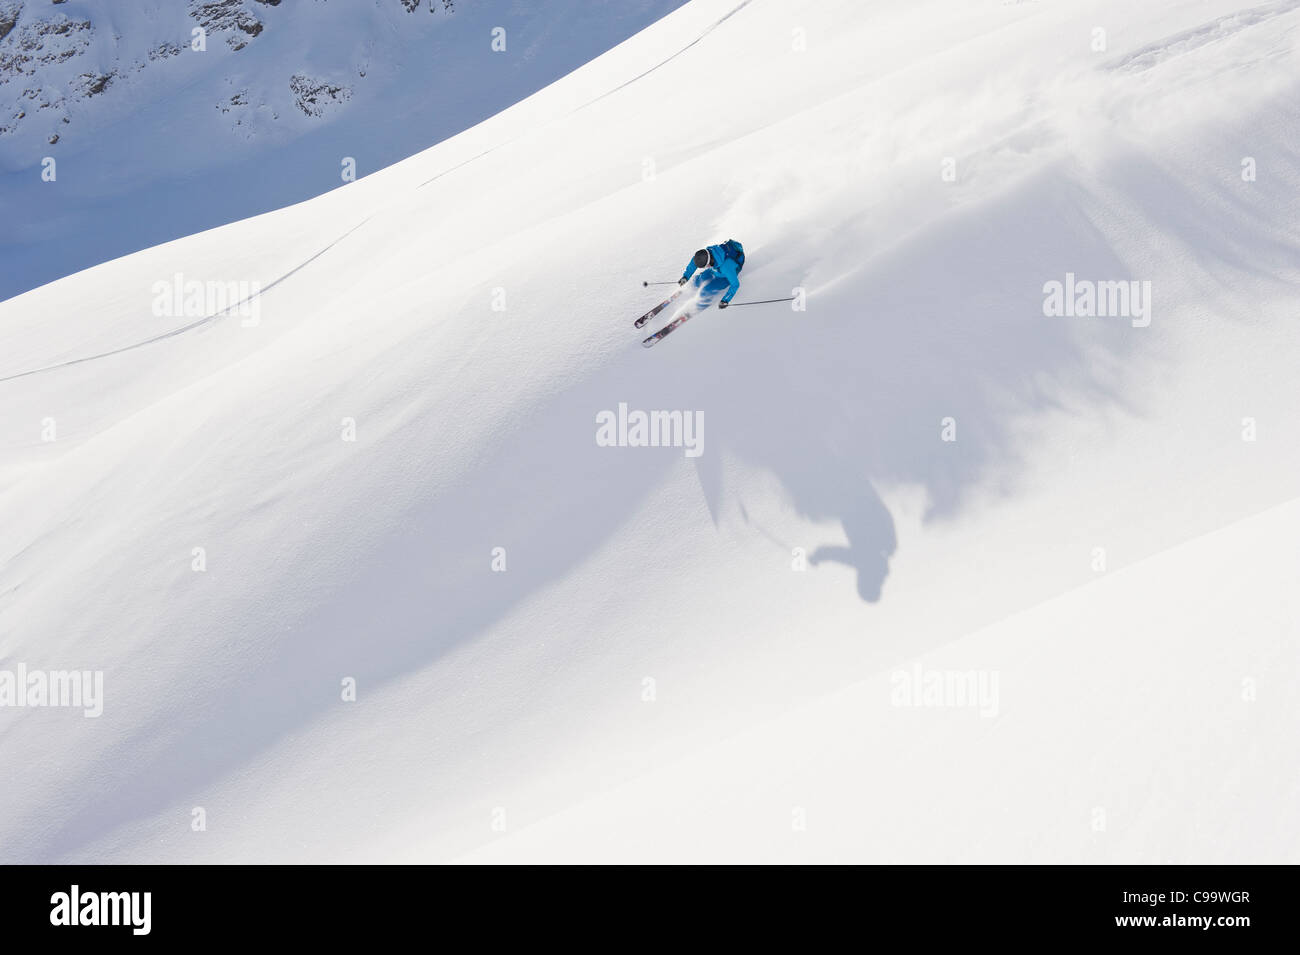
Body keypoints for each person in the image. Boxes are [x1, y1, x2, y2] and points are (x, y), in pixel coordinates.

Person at [679, 239, 745, 308]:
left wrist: (725, 300)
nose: (705, 268)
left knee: (706, 290)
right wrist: (686, 276)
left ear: (709, 262)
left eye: (705, 266)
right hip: (716, 268)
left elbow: (735, 284)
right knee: (699, 279)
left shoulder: (726, 267)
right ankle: (693, 285)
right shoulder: (705, 254)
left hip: (725, 277)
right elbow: (694, 261)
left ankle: (702, 304)